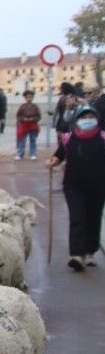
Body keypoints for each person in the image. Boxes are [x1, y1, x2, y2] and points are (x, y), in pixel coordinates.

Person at [49, 105, 105, 271]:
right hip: (73, 185)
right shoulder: (68, 138)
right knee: (78, 217)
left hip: (98, 185)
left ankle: (89, 252)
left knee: (93, 218)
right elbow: (59, 155)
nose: (87, 120)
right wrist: (52, 161)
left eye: (91, 117)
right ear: (77, 120)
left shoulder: (102, 138)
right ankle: (76, 255)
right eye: (83, 117)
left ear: (96, 119)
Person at [15, 90, 42, 161]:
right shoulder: (22, 106)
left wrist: (33, 119)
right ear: (25, 98)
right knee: (22, 141)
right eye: (27, 97)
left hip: (33, 125)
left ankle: (33, 154)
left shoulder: (35, 106)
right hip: (24, 125)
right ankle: (20, 154)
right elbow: (18, 116)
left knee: (33, 140)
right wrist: (23, 119)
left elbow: (39, 116)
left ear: (33, 98)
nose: (29, 98)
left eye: (30, 97)